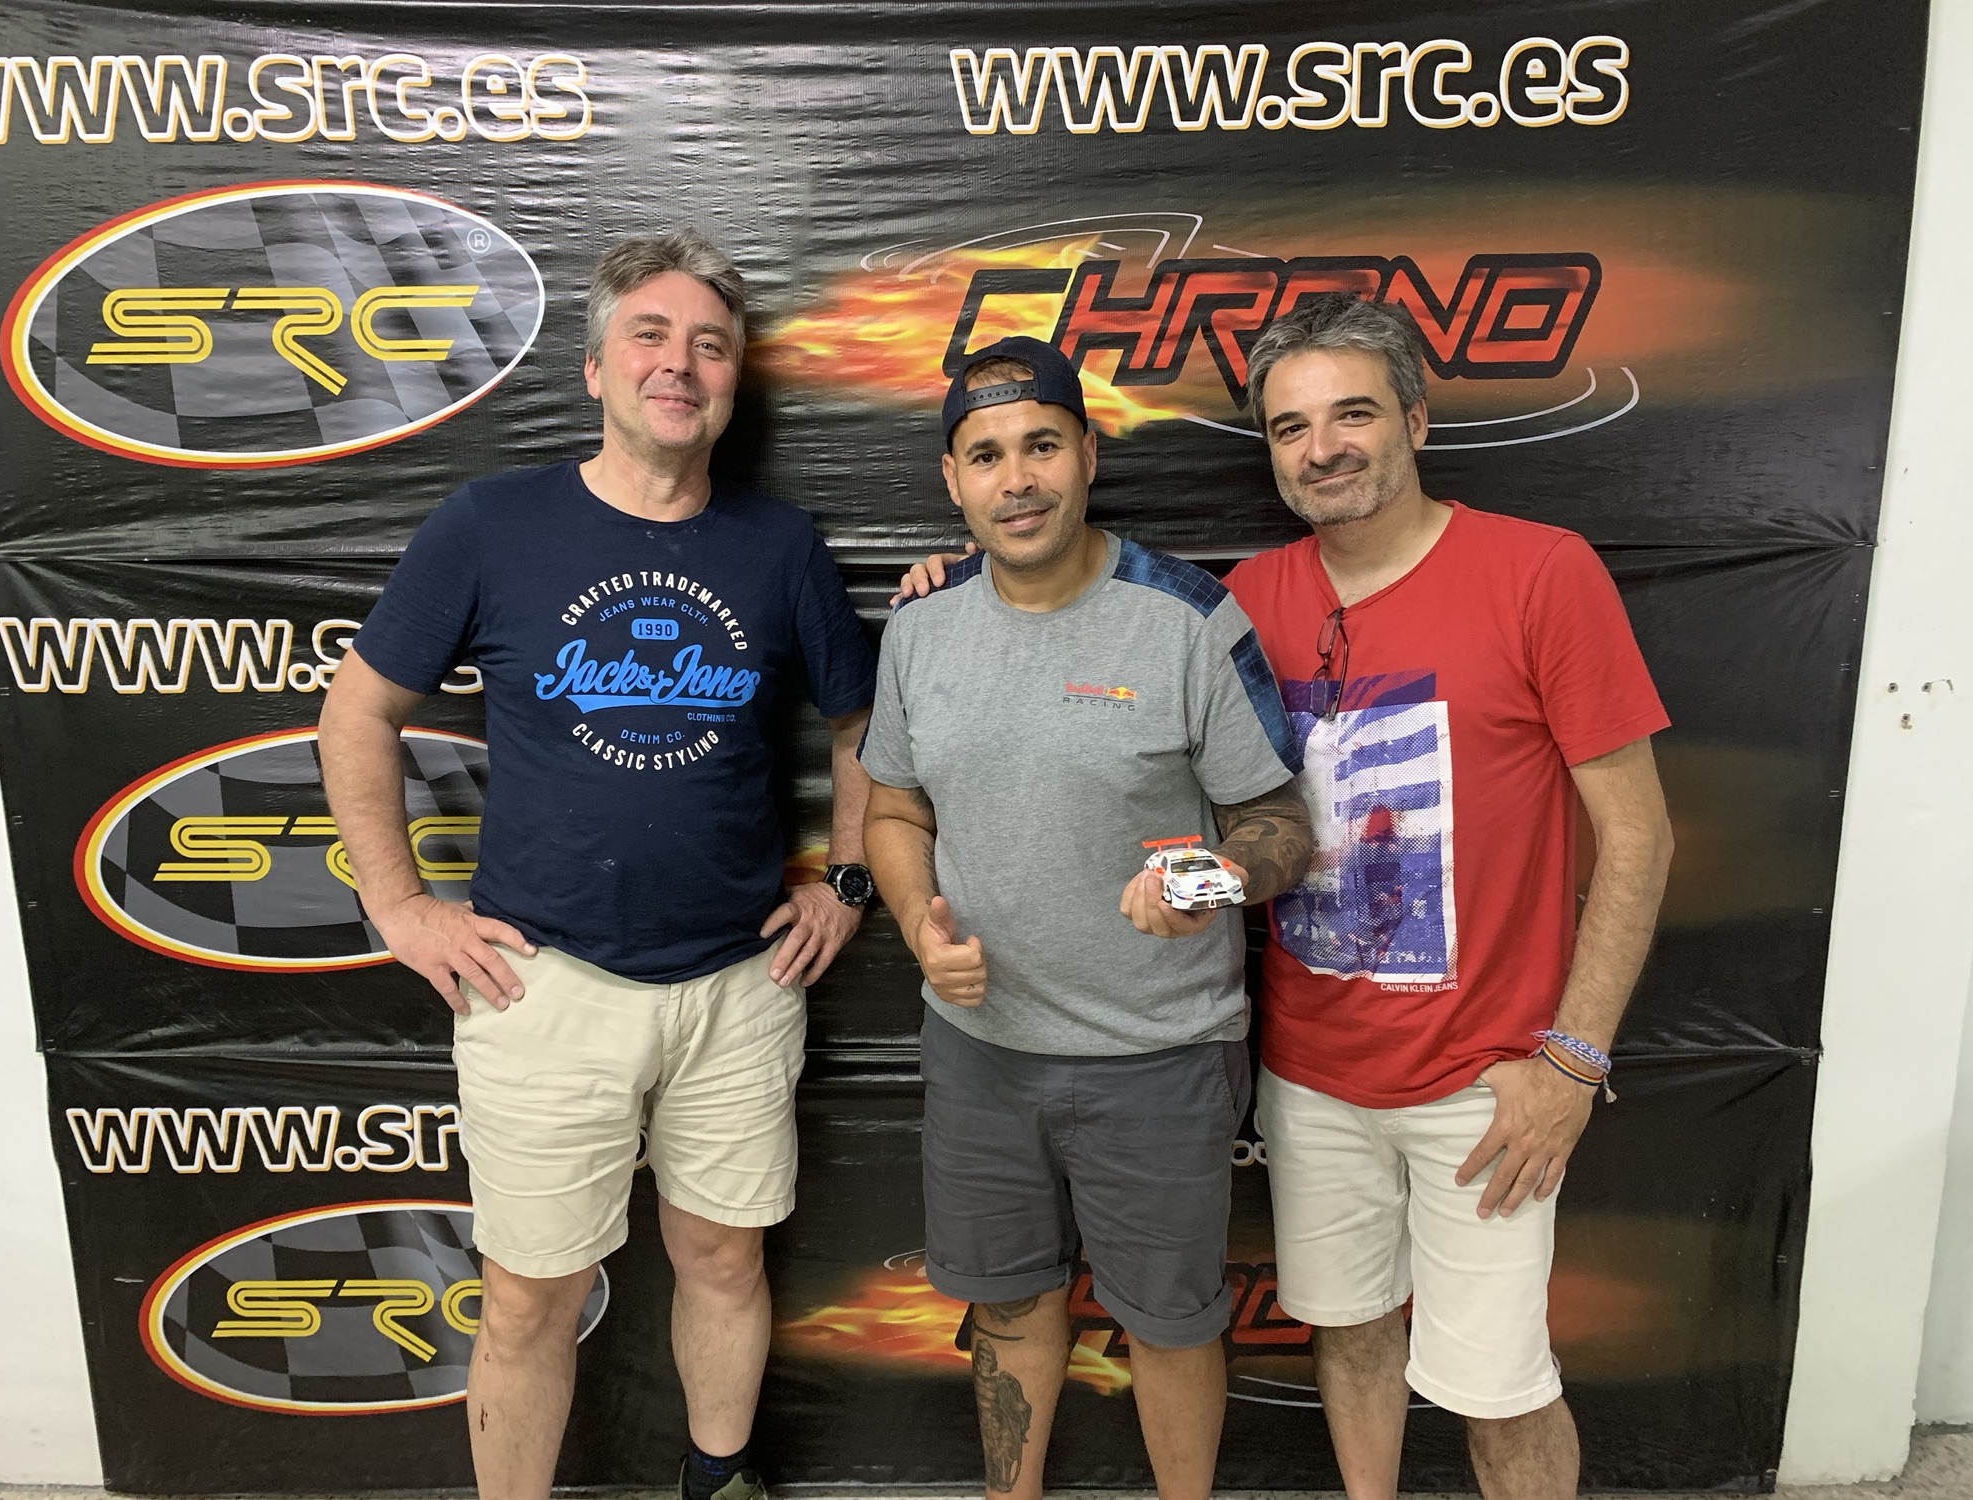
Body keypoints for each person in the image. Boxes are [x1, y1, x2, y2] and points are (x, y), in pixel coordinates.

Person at [895, 298, 1675, 1500]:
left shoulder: (1535, 573)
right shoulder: (1243, 598)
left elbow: (1636, 835)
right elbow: (1051, 625)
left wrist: (1571, 1058)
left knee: (1499, 1388)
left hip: (1484, 1077)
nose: (1322, 450)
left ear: (1414, 419)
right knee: (1350, 1345)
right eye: (1289, 427)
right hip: (1307, 1073)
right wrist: (951, 579)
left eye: (1351, 415)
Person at [319, 229, 877, 1500]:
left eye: (709, 345)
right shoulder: (492, 525)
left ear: (733, 381)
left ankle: (718, 1482)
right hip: (542, 984)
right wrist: (397, 904)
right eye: (650, 336)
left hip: (739, 987)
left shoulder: (778, 545)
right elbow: (357, 713)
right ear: (594, 367)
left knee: (725, 1262)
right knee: (528, 1298)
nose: (678, 364)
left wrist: (845, 883)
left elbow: (862, 727)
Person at [861, 335, 1314, 1500]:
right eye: (985, 456)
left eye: (1040, 447)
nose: (1016, 481)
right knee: (1008, 1311)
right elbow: (891, 809)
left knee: (1169, 1323)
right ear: (951, 480)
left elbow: (1278, 825)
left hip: (1159, 1057)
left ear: (1087, 455)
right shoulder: (918, 628)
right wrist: (915, 924)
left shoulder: (1185, 620)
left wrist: (1205, 885)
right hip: (981, 1053)